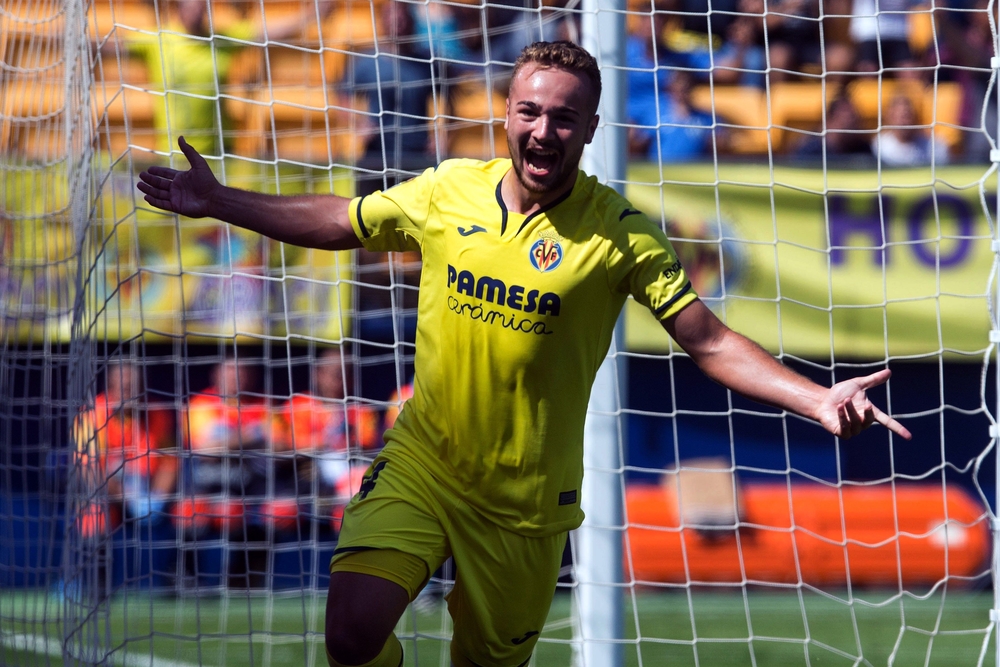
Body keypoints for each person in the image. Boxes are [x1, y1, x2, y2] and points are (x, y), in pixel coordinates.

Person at [138, 40, 910, 667]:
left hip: (526, 507)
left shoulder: (620, 232)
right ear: (506, 115)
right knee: (351, 633)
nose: (544, 131)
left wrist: (815, 398)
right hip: (423, 464)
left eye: (564, 119)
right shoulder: (448, 192)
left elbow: (705, 339)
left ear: (591, 128)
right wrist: (222, 201)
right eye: (530, 112)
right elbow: (343, 219)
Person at [123, 0, 333, 157]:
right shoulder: (159, 40)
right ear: (178, 8)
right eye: (190, 7)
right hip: (173, 151)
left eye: (201, 7)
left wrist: (311, 14)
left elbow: (266, 31)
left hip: (219, 150)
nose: (196, 13)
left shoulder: (219, 40)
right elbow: (112, 45)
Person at [74, 359, 178, 589]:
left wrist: (158, 497)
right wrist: (126, 496)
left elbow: (170, 462)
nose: (128, 392)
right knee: (94, 515)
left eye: (133, 387)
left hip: (148, 491)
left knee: (186, 510)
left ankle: (177, 580)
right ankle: (96, 585)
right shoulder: (92, 415)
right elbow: (88, 469)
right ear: (111, 385)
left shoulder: (158, 413)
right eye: (122, 387)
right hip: (108, 493)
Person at [271, 347, 381, 532]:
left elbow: (364, 446)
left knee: (349, 510)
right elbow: (281, 448)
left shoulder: (362, 411)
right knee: (281, 511)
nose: (339, 379)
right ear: (317, 374)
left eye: (345, 373)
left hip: (345, 484)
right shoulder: (297, 405)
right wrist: (323, 443)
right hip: (301, 482)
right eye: (334, 373)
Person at [872, 93, 949, 166]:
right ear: (889, 117)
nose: (904, 122)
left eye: (907, 116)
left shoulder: (933, 146)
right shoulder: (879, 145)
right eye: (900, 117)